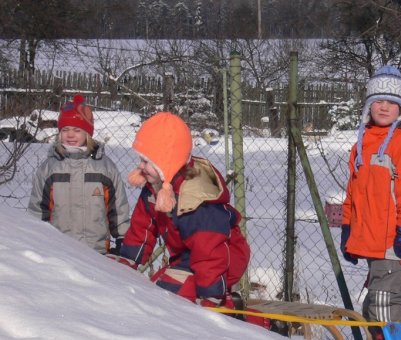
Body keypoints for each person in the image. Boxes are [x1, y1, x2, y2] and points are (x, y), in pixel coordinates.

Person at [109, 112, 250, 306]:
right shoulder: (155, 187)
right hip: (188, 258)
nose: (140, 166)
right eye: (141, 159)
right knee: (155, 289)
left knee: (174, 298)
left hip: (224, 261)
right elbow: (143, 227)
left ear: (166, 162)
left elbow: (210, 252)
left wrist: (210, 295)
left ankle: (242, 317)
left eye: (147, 161)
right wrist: (128, 261)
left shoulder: (196, 200)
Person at [339, 65, 401, 340]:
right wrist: (348, 227)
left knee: (385, 299)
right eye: (378, 100)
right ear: (368, 104)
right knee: (375, 302)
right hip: (370, 241)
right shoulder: (362, 143)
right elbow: (354, 192)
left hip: (394, 241)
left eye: (391, 102)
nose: (384, 106)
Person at [28, 94, 130, 254]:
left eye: (77, 130)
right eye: (65, 130)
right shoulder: (50, 168)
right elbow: (38, 211)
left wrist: (122, 240)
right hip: (57, 252)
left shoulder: (104, 168)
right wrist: (35, 240)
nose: (70, 135)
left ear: (88, 133)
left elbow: (118, 210)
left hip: (97, 253)